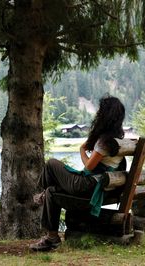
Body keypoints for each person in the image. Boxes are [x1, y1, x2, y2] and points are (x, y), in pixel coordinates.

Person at [30, 95, 126, 251]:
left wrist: (82, 150)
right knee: (51, 192)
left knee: (52, 163)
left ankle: (39, 195)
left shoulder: (104, 142)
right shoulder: (120, 140)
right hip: (103, 188)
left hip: (87, 187)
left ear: (105, 116)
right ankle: (52, 238)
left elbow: (88, 167)